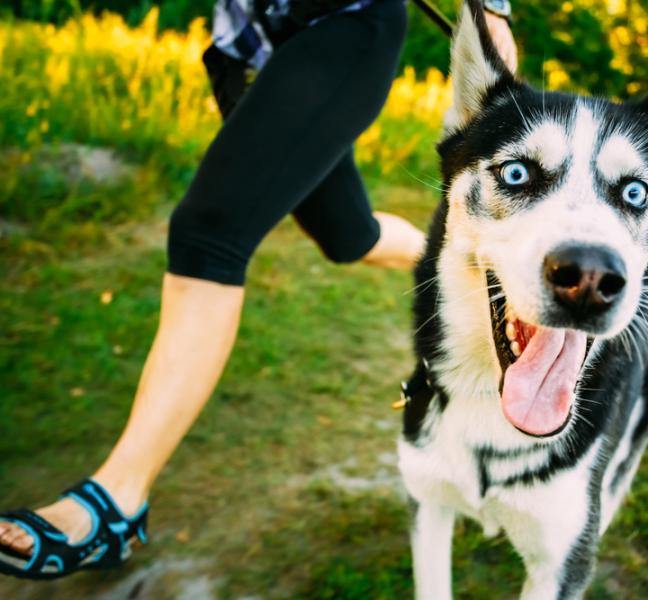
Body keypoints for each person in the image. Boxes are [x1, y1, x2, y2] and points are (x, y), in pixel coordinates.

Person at [0, 0, 517, 580]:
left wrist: (491, 11)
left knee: (208, 235)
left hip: (342, 25)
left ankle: (116, 501)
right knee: (349, 235)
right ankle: (468, 270)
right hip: (253, 46)